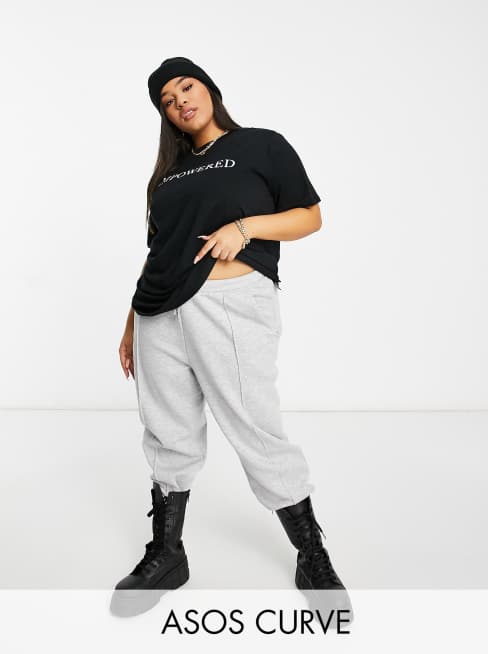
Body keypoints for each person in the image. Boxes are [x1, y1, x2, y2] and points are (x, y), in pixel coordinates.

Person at [114, 57, 352, 617]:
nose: (180, 101)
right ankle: (168, 554)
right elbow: (158, 250)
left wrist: (243, 229)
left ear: (209, 88)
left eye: (186, 87)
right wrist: (130, 322)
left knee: (255, 426)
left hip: (230, 302)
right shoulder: (167, 176)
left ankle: (311, 553)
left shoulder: (261, 145)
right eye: (167, 101)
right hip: (157, 312)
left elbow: (309, 216)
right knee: (167, 431)